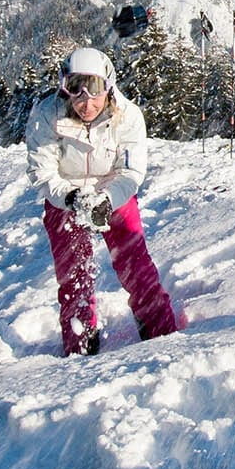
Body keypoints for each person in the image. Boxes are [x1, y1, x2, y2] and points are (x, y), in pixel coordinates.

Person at [25, 47, 181, 356]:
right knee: (73, 274)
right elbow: (42, 171)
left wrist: (107, 200)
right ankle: (80, 339)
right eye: (76, 89)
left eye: (94, 89)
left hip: (113, 193)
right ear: (64, 88)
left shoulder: (126, 116)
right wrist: (71, 198)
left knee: (135, 265)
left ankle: (159, 327)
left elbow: (131, 171)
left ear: (108, 86)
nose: (86, 101)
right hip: (66, 199)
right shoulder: (47, 116)